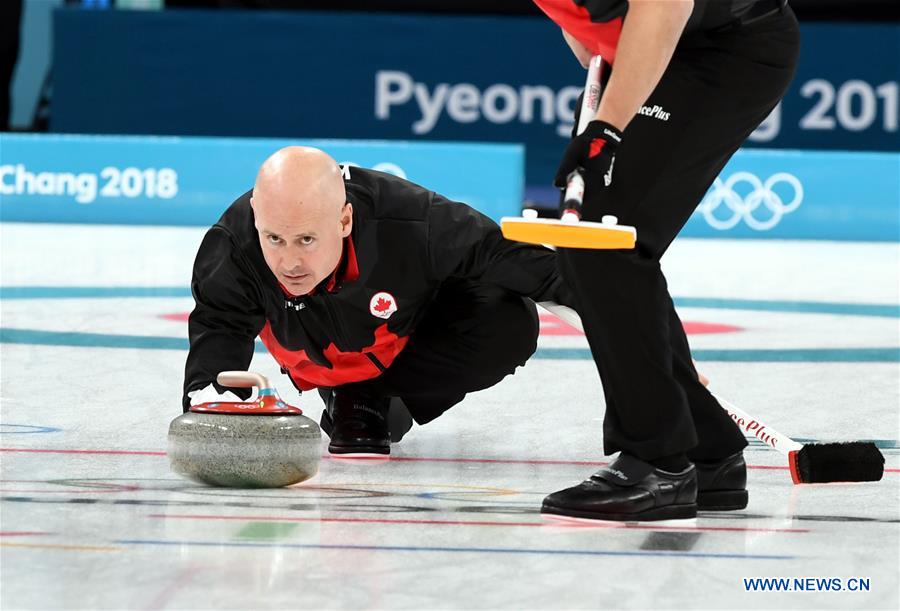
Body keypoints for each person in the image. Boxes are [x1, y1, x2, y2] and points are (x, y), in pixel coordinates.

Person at [534, 0, 799, 521]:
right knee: (591, 237)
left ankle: (659, 462)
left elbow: (666, 4)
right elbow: (582, 20)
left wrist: (609, 126)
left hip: (724, 43)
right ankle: (705, 450)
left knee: (605, 241)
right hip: (663, 43)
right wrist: (612, 74)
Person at [183, 146, 572, 456]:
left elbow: (510, 258)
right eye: (274, 240)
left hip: (399, 342)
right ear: (256, 219)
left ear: (344, 220)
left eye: (306, 240)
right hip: (309, 349)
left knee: (509, 318)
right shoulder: (232, 244)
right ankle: (351, 394)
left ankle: (366, 395)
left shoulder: (412, 221)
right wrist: (215, 409)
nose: (290, 263)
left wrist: (615, 320)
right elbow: (219, 328)